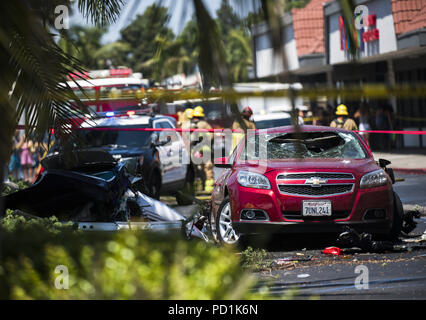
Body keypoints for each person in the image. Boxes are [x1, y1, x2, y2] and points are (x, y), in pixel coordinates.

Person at [191, 106, 214, 192]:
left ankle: (199, 188)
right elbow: (212, 134)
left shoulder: (191, 124)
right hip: (204, 150)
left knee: (197, 169)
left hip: (196, 150)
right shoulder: (205, 124)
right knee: (207, 168)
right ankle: (208, 188)